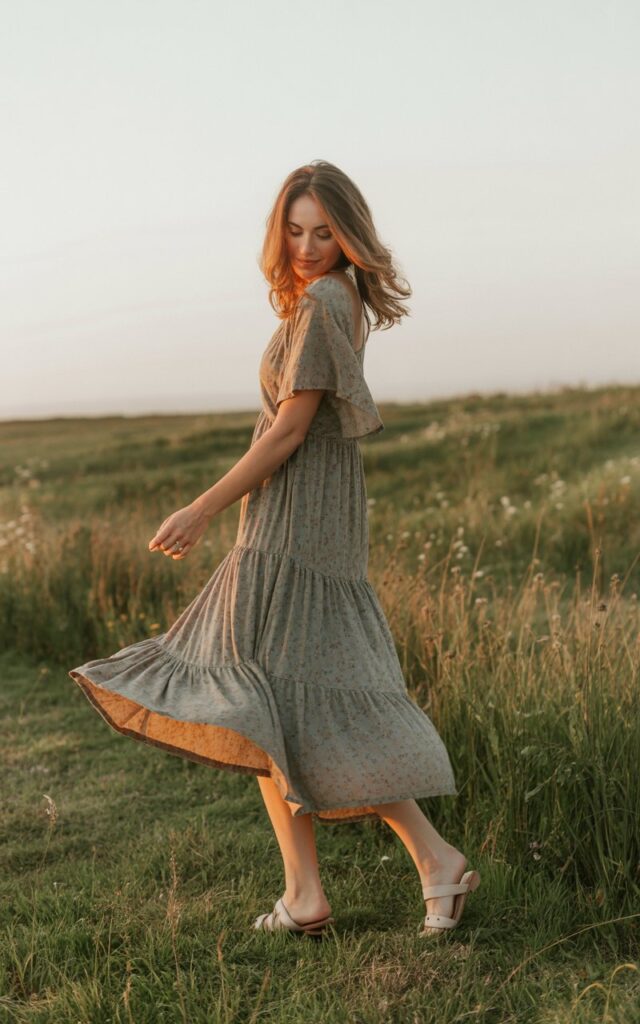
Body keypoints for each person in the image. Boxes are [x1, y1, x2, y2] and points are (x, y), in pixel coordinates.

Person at [68, 160, 480, 939]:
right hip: (305, 518)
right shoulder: (336, 298)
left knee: (262, 693)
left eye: (325, 232)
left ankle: (414, 863)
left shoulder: (324, 302)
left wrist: (201, 507)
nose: (308, 246)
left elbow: (288, 431)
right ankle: (322, 890)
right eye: (295, 231)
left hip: (294, 525)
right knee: (272, 699)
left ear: (349, 235)